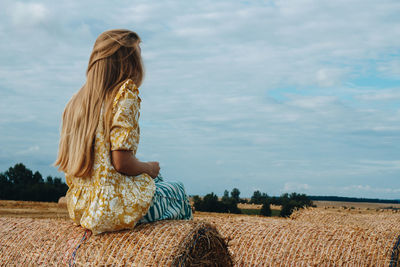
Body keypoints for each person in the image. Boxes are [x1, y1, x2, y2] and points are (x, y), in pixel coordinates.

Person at [54, 29, 193, 235]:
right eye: (139, 55)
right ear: (129, 62)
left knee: (158, 181)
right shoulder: (124, 94)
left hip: (83, 207)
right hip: (114, 208)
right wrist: (149, 168)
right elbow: (122, 162)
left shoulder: (76, 102)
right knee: (178, 190)